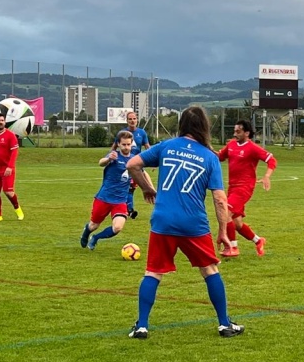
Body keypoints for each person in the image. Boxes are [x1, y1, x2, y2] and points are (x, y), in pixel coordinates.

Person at [125, 106, 243, 339]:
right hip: (193, 223)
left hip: (163, 220)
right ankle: (224, 324)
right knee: (209, 270)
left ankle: (142, 326)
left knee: (153, 272)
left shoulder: (166, 146)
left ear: (182, 125)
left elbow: (132, 165)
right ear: (204, 127)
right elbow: (220, 199)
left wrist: (147, 188)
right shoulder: (209, 157)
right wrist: (223, 231)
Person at [216, 119, 276, 257]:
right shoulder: (231, 145)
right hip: (232, 187)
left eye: (238, 131)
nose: (235, 134)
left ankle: (232, 247)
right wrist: (205, 149)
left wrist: (267, 176)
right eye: (234, 131)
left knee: (226, 213)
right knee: (237, 223)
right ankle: (258, 240)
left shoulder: (253, 148)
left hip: (244, 188)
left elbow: (272, 160)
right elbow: (220, 157)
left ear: (247, 133)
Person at [81, 131, 135, 250]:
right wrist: (108, 159)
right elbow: (101, 162)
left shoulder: (134, 159)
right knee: (94, 225)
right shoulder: (114, 155)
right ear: (118, 144)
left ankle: (96, 238)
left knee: (117, 227)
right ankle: (87, 231)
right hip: (104, 198)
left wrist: (150, 189)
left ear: (131, 144)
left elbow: (142, 173)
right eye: (124, 144)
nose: (126, 147)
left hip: (120, 200)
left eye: (128, 144)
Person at [111, 111, 151, 220]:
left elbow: (148, 147)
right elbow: (114, 146)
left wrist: (153, 160)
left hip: (137, 164)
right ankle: (128, 209)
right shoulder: (122, 133)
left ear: (137, 120)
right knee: (127, 187)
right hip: (124, 164)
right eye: (130, 119)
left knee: (131, 188)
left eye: (134, 118)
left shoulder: (141, 133)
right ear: (127, 120)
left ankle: (127, 209)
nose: (132, 121)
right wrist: (110, 158)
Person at [0, 113, 24, 222]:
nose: (1, 122)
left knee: (8, 192)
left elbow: (14, 152)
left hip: (7, 169)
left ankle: (18, 210)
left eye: (2, 120)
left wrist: (10, 167)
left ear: (5, 122)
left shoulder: (10, 135)